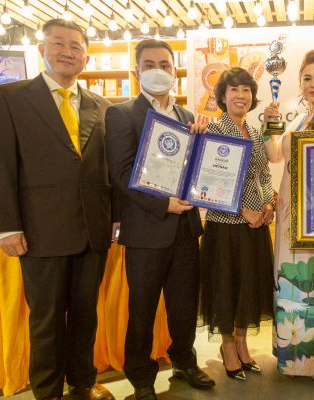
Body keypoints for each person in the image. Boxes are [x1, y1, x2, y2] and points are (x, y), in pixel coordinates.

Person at [0, 19, 115, 400]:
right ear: (43, 49)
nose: (67, 52)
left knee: (85, 316)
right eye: (59, 43)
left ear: (86, 58)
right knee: (46, 321)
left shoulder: (102, 106)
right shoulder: (10, 97)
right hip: (40, 232)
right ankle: (48, 393)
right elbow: (1, 165)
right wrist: (7, 226)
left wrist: (115, 218)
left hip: (92, 232)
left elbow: (107, 169)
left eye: (76, 47)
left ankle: (83, 384)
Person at [105, 40, 214, 400]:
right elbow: (121, 173)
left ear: (174, 71)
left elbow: (194, 168)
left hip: (185, 230)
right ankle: (141, 378)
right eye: (149, 64)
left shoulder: (187, 116)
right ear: (136, 71)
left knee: (184, 307)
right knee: (142, 311)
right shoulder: (121, 114)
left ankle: (184, 360)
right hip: (146, 231)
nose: (158, 70)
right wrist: (162, 204)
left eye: (165, 64)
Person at [263, 50, 314, 380]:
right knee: (288, 282)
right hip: (287, 215)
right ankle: (290, 359)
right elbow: (275, 156)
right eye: (307, 78)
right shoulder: (297, 119)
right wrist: (269, 126)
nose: (313, 83)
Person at [198, 67, 275, 381]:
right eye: (234, 89)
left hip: (255, 226)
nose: (241, 95)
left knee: (248, 287)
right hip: (226, 225)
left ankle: (242, 343)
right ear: (223, 96)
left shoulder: (255, 133)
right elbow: (207, 184)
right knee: (226, 288)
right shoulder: (214, 131)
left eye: (246, 89)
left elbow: (264, 174)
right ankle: (228, 346)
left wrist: (268, 204)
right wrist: (244, 211)